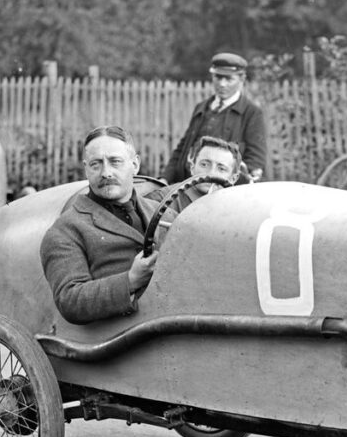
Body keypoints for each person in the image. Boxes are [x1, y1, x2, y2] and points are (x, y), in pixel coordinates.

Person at [40, 125, 160, 325]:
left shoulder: (165, 214)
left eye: (115, 162)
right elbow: (70, 300)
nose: (106, 172)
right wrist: (130, 281)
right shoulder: (65, 230)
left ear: (135, 164)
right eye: (96, 164)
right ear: (86, 169)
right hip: (116, 343)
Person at [160, 52, 267, 185]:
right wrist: (165, 178)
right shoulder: (202, 108)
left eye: (229, 79)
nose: (222, 84)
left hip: (222, 190)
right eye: (218, 77)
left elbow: (255, 160)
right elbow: (183, 149)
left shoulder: (251, 112)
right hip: (188, 185)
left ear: (242, 79)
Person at [145, 135, 242, 215]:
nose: (211, 173)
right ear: (192, 167)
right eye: (204, 164)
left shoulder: (237, 211)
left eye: (221, 169)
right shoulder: (160, 200)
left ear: (233, 178)